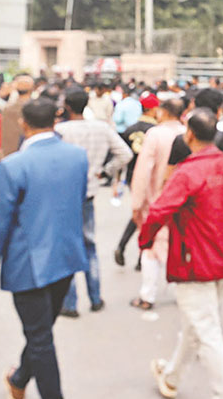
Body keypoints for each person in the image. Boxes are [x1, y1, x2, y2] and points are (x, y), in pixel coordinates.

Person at [0, 99, 88, 399]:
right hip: (65, 257)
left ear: (24, 124)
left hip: (29, 264)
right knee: (41, 332)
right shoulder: (77, 156)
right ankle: (20, 378)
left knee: (40, 337)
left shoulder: (14, 165)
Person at [142, 108, 223, 399]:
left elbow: (159, 211)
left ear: (189, 135)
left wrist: (146, 241)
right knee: (199, 325)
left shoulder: (188, 172)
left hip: (194, 263)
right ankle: (171, 376)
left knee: (206, 332)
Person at [55, 89, 132, 317]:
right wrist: (103, 171)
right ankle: (95, 298)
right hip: (89, 193)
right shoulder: (101, 128)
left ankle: (70, 303)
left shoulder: (60, 131)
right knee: (89, 247)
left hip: (65, 196)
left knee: (67, 249)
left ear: (67, 106)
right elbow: (125, 154)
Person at [126, 98, 186, 308]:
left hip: (156, 198)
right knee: (178, 245)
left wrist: (137, 202)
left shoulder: (156, 134)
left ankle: (147, 296)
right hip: (182, 200)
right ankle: (181, 293)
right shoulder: (188, 133)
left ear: (162, 112)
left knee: (151, 246)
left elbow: (143, 171)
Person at [112, 92, 161, 269]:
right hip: (152, 176)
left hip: (133, 175)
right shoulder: (157, 131)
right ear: (154, 109)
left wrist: (117, 180)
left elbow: (121, 156)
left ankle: (124, 246)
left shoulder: (130, 129)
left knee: (139, 211)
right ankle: (142, 255)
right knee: (148, 215)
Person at [0, 75, 34, 158]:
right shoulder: (37, 107)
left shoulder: (7, 108)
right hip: (31, 154)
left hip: (12, 155)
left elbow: (4, 135)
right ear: (32, 89)